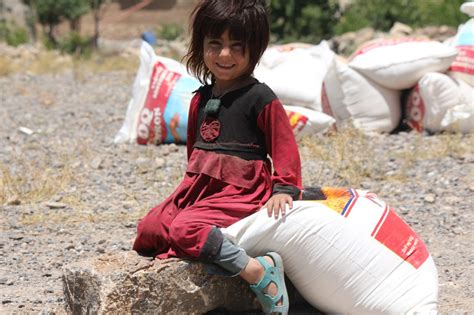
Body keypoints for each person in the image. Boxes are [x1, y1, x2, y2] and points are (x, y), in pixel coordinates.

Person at [133, 0, 302, 313]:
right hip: (200, 189)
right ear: (201, 46)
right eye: (216, 44)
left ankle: (257, 271)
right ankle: (210, 242)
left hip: (240, 190)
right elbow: (195, 153)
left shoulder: (259, 98)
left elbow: (283, 145)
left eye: (237, 46)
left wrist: (283, 189)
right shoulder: (201, 98)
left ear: (255, 49)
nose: (225, 55)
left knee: (184, 229)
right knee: (150, 229)